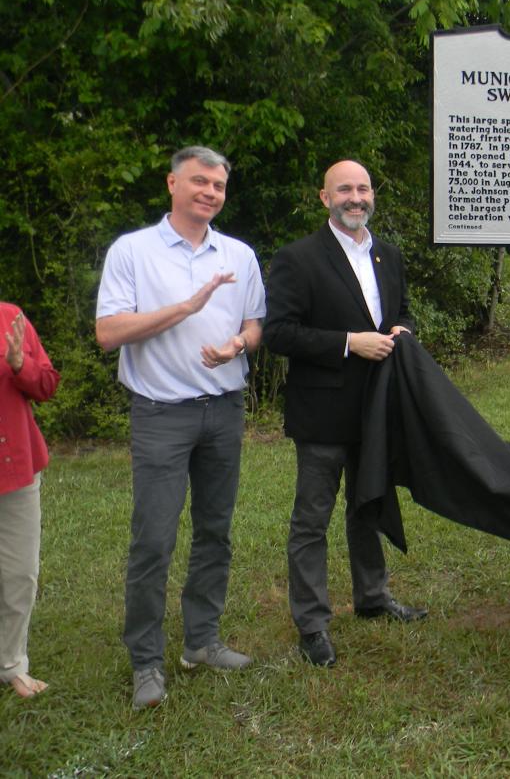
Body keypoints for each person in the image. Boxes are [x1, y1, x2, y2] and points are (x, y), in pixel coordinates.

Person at [96, 146, 265, 709]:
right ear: (172, 183)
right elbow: (109, 332)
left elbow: (255, 324)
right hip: (161, 413)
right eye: (199, 182)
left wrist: (238, 344)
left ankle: (202, 642)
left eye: (218, 185)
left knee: (215, 531)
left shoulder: (238, 254)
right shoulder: (133, 251)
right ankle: (146, 662)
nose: (209, 193)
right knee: (154, 540)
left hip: (224, 410)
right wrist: (186, 308)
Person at [263, 160, 426, 668]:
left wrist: (403, 330)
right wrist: (349, 343)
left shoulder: (389, 255)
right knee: (312, 519)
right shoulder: (298, 259)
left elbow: (402, 313)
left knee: (368, 502)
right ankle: (312, 623)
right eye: (344, 190)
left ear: (372, 194)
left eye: (363, 189)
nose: (355, 198)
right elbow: (279, 333)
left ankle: (372, 597)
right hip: (323, 411)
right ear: (324, 197)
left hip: (377, 409)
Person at [0, 304, 60, 698]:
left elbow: (48, 385)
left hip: (16, 466)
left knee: (20, 573)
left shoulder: (10, 317)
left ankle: (12, 664)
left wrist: (21, 363)